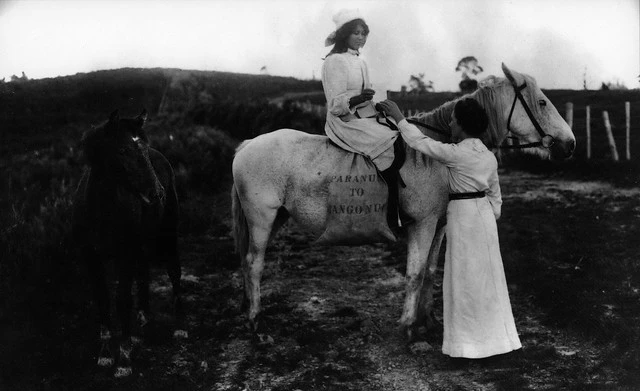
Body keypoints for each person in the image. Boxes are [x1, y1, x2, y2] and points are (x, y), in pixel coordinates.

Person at [377, 98, 522, 359]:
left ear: (463, 125)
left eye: (454, 119)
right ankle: (496, 341)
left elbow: (420, 142)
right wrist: (487, 218)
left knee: (463, 279)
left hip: (463, 215)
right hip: (485, 219)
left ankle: (468, 347)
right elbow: (496, 199)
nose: (450, 123)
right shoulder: (489, 156)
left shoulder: (456, 154)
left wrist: (400, 118)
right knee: (487, 279)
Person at [321, 9, 403, 227]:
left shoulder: (360, 61)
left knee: (398, 131)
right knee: (386, 144)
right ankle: (388, 212)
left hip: (364, 114)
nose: (361, 38)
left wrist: (379, 104)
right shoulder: (335, 61)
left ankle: (397, 201)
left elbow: (367, 95)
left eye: (363, 33)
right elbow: (335, 105)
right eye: (356, 33)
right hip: (344, 121)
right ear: (344, 35)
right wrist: (358, 99)